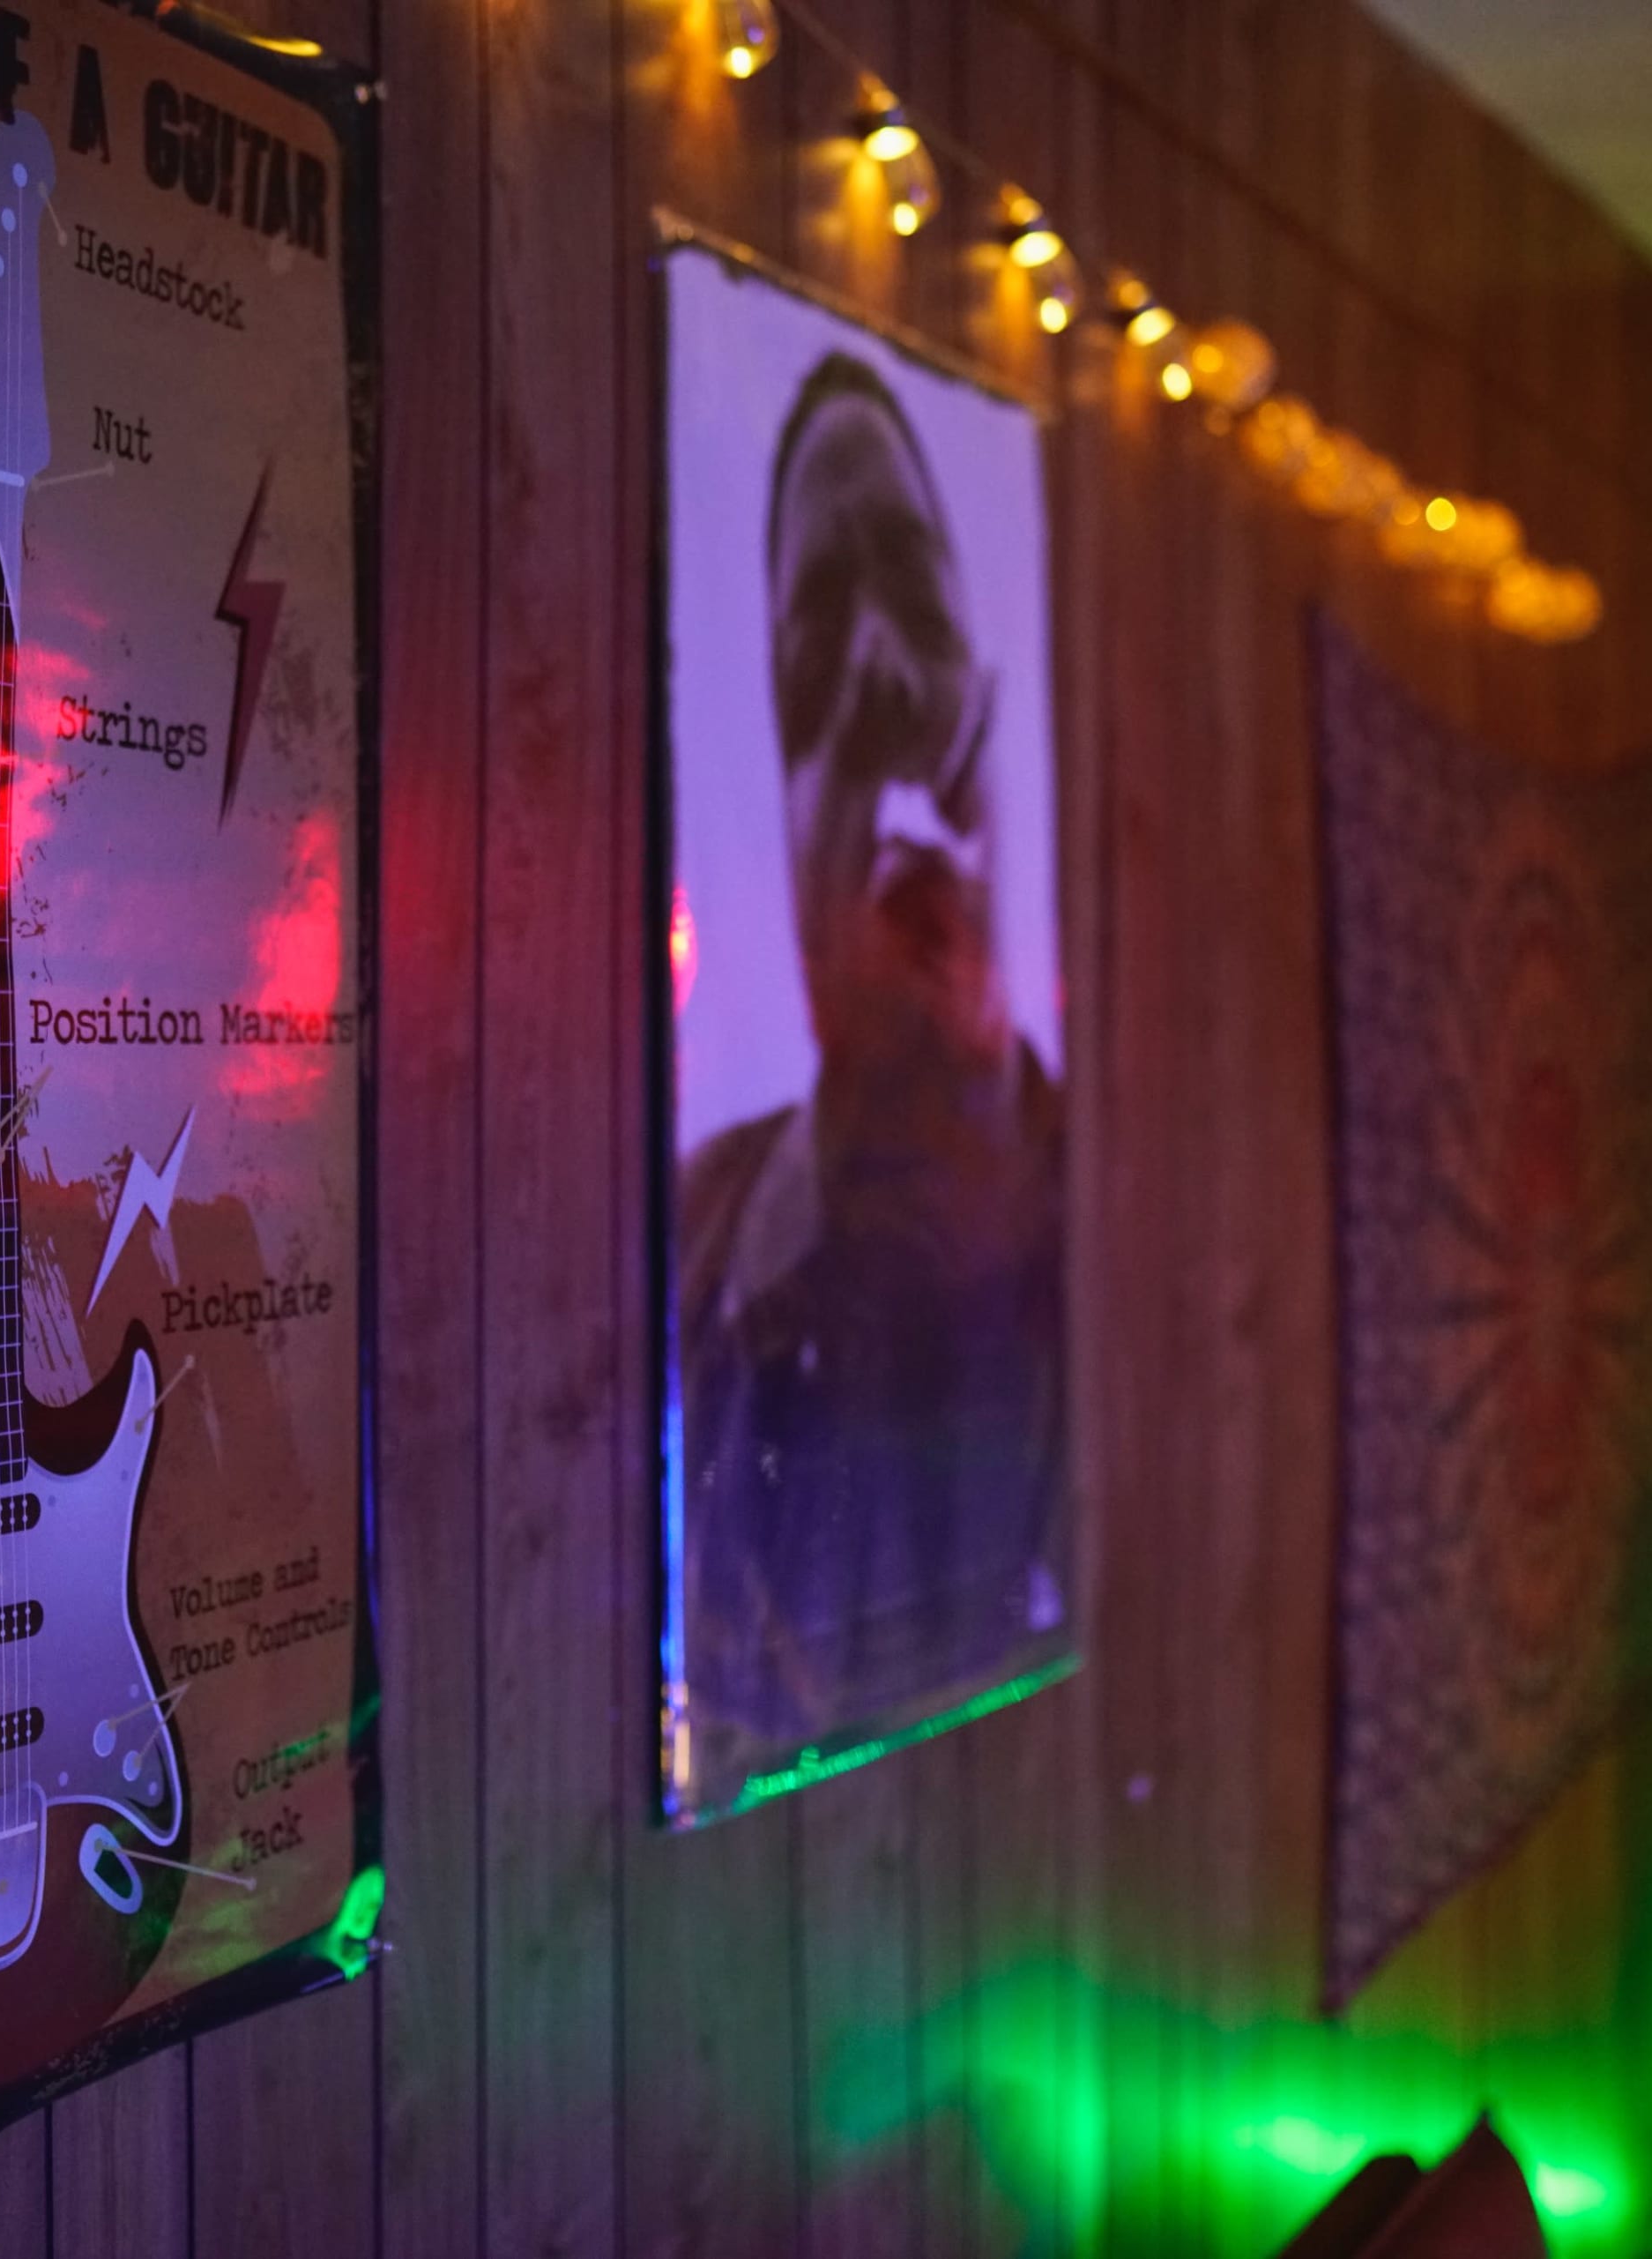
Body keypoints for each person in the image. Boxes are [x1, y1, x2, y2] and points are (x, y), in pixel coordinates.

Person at [675, 352, 1067, 1783]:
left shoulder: (1122, 1206)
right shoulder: (695, 1239)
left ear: (990, 699)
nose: (881, 677)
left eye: (913, 593)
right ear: (780, 843)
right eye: (809, 655)